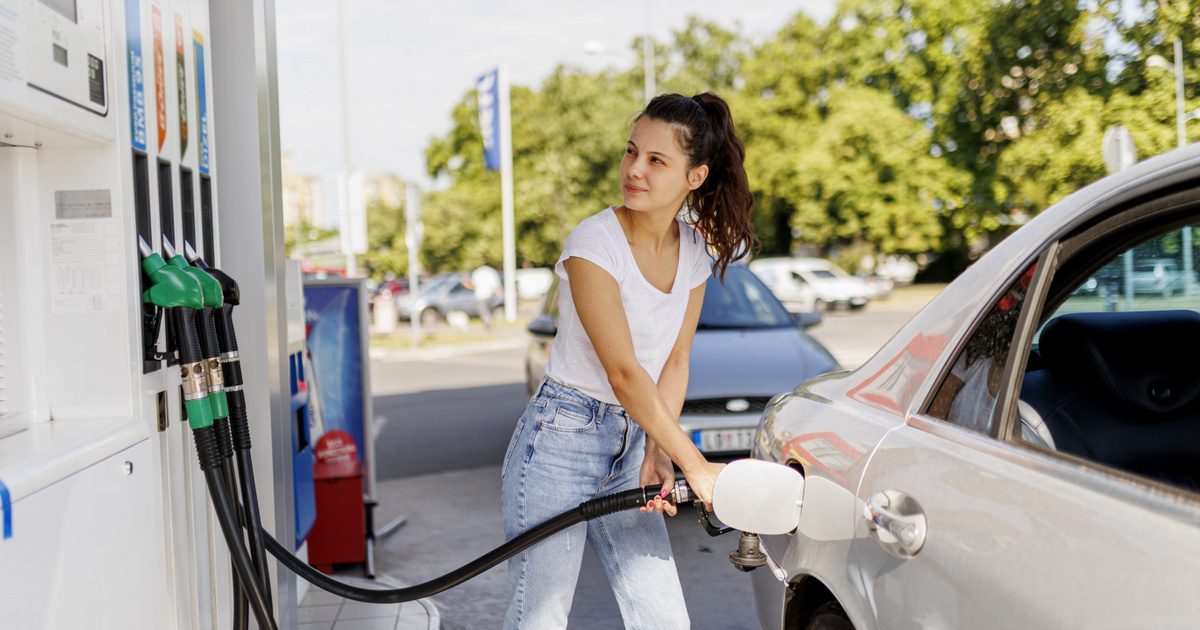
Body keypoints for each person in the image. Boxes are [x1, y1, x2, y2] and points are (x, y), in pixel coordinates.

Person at [500, 92, 755, 629]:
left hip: (632, 445)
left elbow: (676, 361)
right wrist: (695, 464)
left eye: (656, 160)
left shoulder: (693, 252)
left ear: (695, 176)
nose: (634, 169)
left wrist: (659, 450)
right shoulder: (593, 244)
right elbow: (624, 373)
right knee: (539, 619)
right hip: (559, 443)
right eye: (631, 152)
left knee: (663, 620)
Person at [469, 263, 501, 329]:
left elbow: (473, 285)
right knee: (488, 309)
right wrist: (500, 294)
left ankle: (488, 321)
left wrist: (466, 284)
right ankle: (489, 320)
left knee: (483, 310)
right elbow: (496, 285)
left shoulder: (477, 272)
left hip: (480, 295)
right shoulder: (491, 271)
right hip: (490, 294)